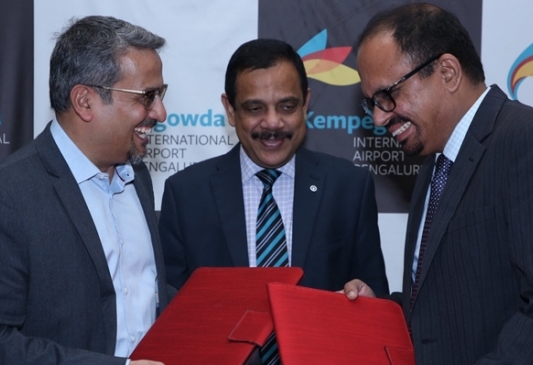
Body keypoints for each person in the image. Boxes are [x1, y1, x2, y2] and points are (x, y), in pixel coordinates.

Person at [343, 3, 533, 365]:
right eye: (372, 102)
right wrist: (384, 310)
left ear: (448, 72)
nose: (378, 117)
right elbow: (451, 306)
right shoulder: (433, 169)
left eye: (388, 96)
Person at [0, 16, 172, 365]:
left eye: (161, 94)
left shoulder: (137, 179)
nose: (160, 112)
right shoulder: (1, 197)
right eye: (147, 96)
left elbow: (139, 300)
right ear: (85, 101)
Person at [159, 38, 389, 294]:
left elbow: (374, 300)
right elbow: (173, 315)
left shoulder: (348, 187)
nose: (272, 123)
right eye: (255, 108)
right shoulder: (186, 195)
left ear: (305, 104)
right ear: (231, 110)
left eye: (287, 107)